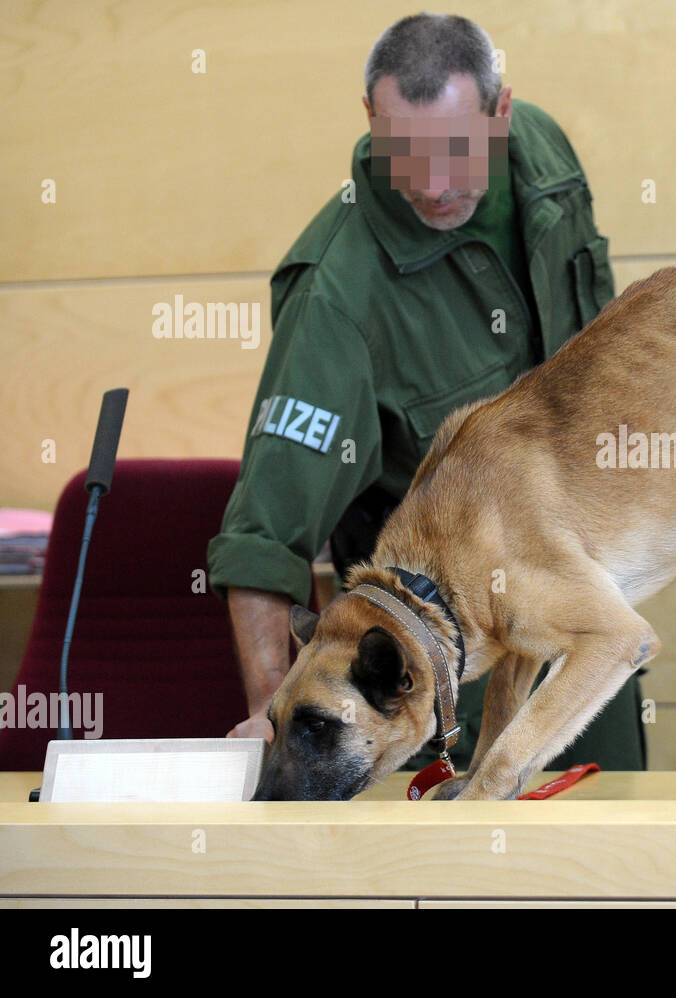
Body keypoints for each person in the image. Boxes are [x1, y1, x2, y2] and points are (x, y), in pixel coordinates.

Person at [207, 12, 645, 776]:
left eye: (456, 151)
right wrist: (277, 722)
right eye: (403, 156)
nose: (434, 184)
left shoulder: (543, 153)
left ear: (500, 113)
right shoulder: (336, 297)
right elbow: (261, 539)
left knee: (618, 857)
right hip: (450, 670)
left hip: (591, 614)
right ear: (371, 122)